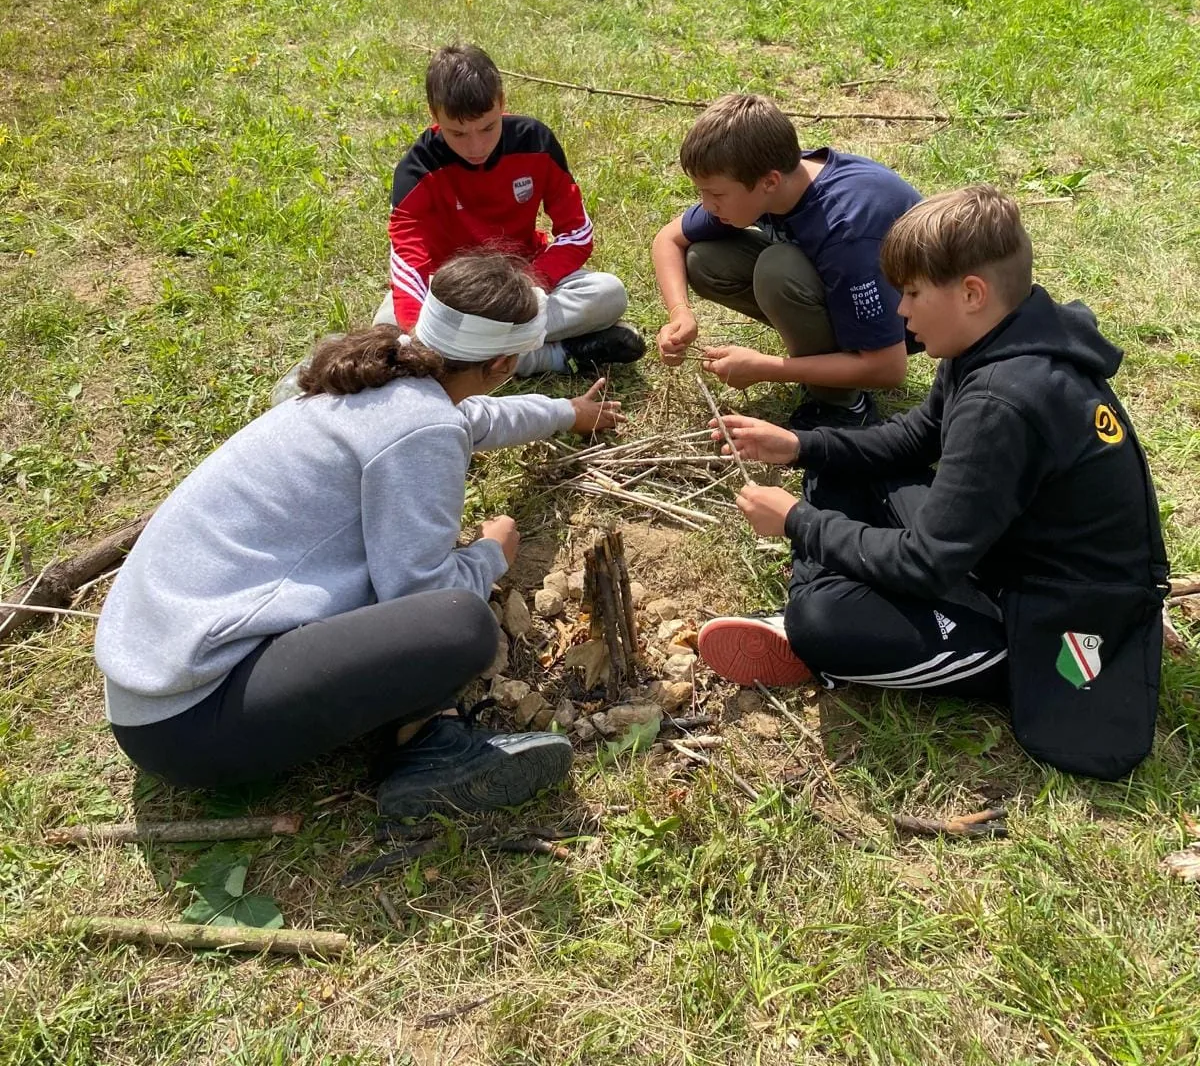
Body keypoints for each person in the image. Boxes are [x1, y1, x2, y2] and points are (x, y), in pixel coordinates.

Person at [95, 250, 623, 813]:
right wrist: (492, 553)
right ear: (503, 364)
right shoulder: (421, 429)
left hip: (159, 675)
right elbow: (420, 593)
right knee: (459, 624)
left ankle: (423, 728)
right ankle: (432, 753)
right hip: (193, 721)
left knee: (403, 587)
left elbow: (476, 419)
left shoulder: (384, 377)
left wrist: (566, 412)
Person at [697, 186, 1169, 781]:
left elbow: (924, 564)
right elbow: (914, 439)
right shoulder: (996, 340)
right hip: (1004, 549)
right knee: (841, 459)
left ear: (971, 293)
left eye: (914, 293)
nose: (901, 310)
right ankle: (830, 597)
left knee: (821, 620)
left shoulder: (1004, 400)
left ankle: (810, 629)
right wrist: (799, 446)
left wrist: (798, 522)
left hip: (1052, 611)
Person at [652, 93, 920, 429]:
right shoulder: (772, 182)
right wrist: (680, 313)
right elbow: (668, 239)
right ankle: (821, 354)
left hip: (900, 324)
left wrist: (765, 368)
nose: (706, 205)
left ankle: (844, 406)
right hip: (838, 284)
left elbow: (888, 368)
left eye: (716, 194)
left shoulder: (846, 231)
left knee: (778, 270)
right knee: (704, 260)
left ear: (769, 182)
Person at [378, 44, 645, 379]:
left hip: (524, 279)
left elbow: (577, 233)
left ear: (502, 102)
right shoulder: (415, 171)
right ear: (434, 115)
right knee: (387, 331)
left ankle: (459, 359)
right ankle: (550, 357)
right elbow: (407, 264)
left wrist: (528, 283)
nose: (476, 146)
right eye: (457, 133)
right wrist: (419, 332)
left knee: (607, 294)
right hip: (450, 290)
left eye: (488, 127)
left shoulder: (536, 141)